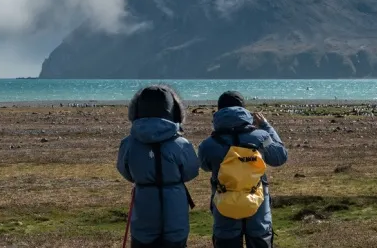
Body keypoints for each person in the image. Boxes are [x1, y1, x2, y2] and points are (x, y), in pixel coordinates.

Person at [198, 91, 288, 248]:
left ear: (219, 111)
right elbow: (280, 157)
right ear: (244, 110)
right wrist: (266, 126)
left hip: (225, 207)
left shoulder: (208, 144)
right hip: (258, 205)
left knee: (227, 240)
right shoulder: (262, 137)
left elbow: (205, 166)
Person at [116, 85, 200, 248]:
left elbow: (124, 170)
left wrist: (144, 178)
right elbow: (191, 171)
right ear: (175, 110)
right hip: (175, 204)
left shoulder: (128, 143)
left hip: (143, 204)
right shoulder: (181, 144)